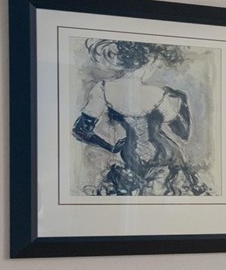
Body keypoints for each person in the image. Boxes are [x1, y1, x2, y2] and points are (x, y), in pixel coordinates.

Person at [70, 37, 212, 197]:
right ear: (148, 61)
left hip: (130, 158)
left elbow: (80, 131)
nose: (156, 68)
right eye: (155, 64)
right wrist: (183, 100)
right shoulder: (158, 93)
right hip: (165, 156)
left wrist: (111, 147)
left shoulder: (102, 89)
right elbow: (182, 133)